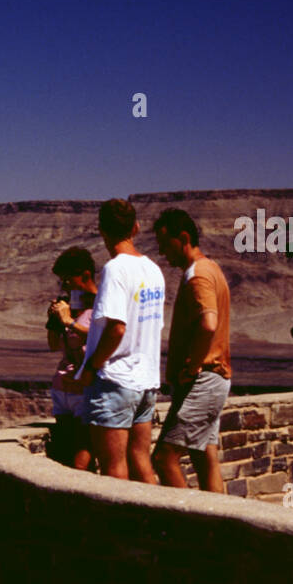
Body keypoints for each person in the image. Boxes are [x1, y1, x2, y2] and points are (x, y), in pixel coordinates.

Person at [67, 199, 166, 483]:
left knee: (113, 471)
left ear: (102, 231)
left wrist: (90, 368)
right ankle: (153, 524)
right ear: (135, 228)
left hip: (115, 380)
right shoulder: (153, 270)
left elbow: (117, 329)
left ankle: (119, 528)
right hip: (146, 381)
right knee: (142, 464)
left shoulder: (115, 269)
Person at [150, 208, 231, 492]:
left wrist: (194, 365)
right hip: (215, 379)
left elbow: (208, 324)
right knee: (204, 456)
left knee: (163, 459)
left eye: (165, 244)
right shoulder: (212, 269)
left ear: (183, 237)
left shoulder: (197, 275)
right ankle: (223, 523)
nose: (162, 253)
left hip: (204, 378)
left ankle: (186, 526)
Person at [46, 247, 97, 469]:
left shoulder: (102, 305)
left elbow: (103, 337)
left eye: (68, 280)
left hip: (84, 389)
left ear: (85, 275)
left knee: (83, 452)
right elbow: (53, 345)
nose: (65, 286)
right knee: (65, 451)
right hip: (63, 388)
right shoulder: (71, 308)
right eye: (62, 282)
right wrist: (54, 322)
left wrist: (69, 322)